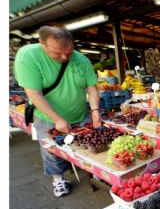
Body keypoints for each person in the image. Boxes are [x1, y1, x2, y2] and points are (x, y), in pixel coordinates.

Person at [14, 25, 102, 197]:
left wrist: (95, 110)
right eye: (57, 53)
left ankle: (94, 174)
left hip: (79, 113)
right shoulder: (28, 56)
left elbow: (92, 89)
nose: (64, 57)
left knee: (89, 145)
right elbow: (33, 93)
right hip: (48, 116)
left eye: (68, 53)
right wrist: (57, 119)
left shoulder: (82, 60)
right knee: (52, 151)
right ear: (42, 44)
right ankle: (58, 179)